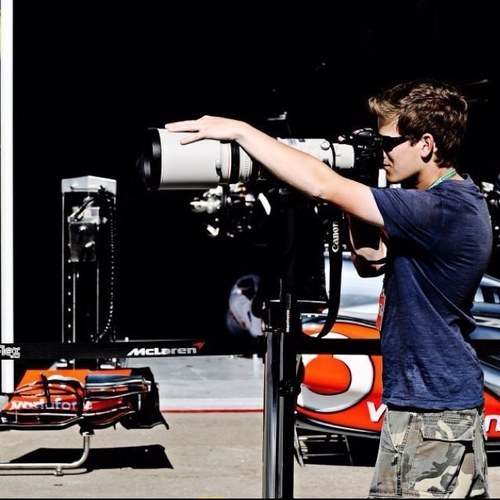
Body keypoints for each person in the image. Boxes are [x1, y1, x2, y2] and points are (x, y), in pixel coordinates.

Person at [165, 78, 492, 498]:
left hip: (436, 413)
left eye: (387, 142)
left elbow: (322, 186)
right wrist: (360, 187)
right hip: (418, 405)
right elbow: (369, 260)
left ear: (426, 144)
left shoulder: (441, 207)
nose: (381, 151)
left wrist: (241, 131)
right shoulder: (434, 204)